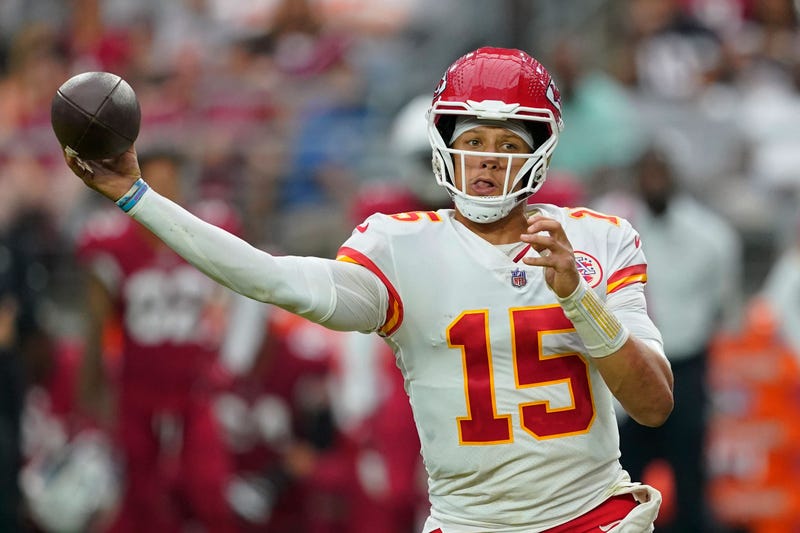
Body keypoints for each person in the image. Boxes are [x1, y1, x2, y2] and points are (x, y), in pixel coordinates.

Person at [63, 47, 674, 532]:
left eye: (509, 144)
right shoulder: (399, 246)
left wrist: (579, 299)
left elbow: (653, 405)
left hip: (592, 518)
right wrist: (137, 197)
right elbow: (270, 278)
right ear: (445, 145)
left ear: (540, 152)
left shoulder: (597, 240)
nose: (488, 160)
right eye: (474, 141)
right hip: (467, 523)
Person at [73, 148, 242, 533]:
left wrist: (230, 369)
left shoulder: (207, 229)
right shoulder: (111, 241)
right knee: (141, 500)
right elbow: (96, 326)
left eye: (172, 182)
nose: (164, 191)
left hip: (195, 387)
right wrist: (92, 395)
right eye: (156, 181)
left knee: (209, 489)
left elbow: (237, 302)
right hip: (138, 390)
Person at [593, 144, 743, 532]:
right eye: (647, 171)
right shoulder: (614, 231)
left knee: (689, 475)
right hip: (629, 365)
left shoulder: (710, 236)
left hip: (686, 363)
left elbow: (725, 308)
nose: (653, 180)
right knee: (621, 478)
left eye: (661, 171)